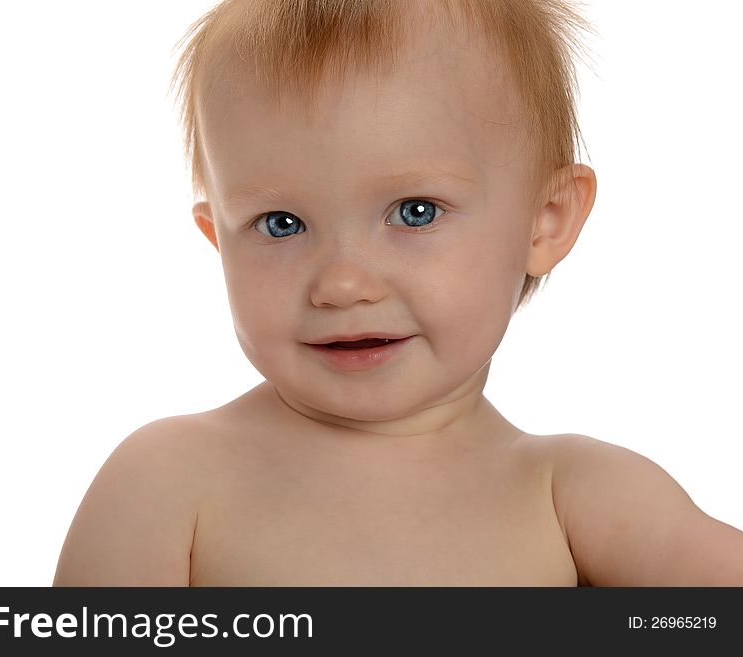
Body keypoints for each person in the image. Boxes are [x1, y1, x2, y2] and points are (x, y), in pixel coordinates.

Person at [53, 0, 743, 586]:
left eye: (415, 211)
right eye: (280, 224)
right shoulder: (168, 480)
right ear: (217, 238)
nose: (342, 284)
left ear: (546, 220)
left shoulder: (577, 496)